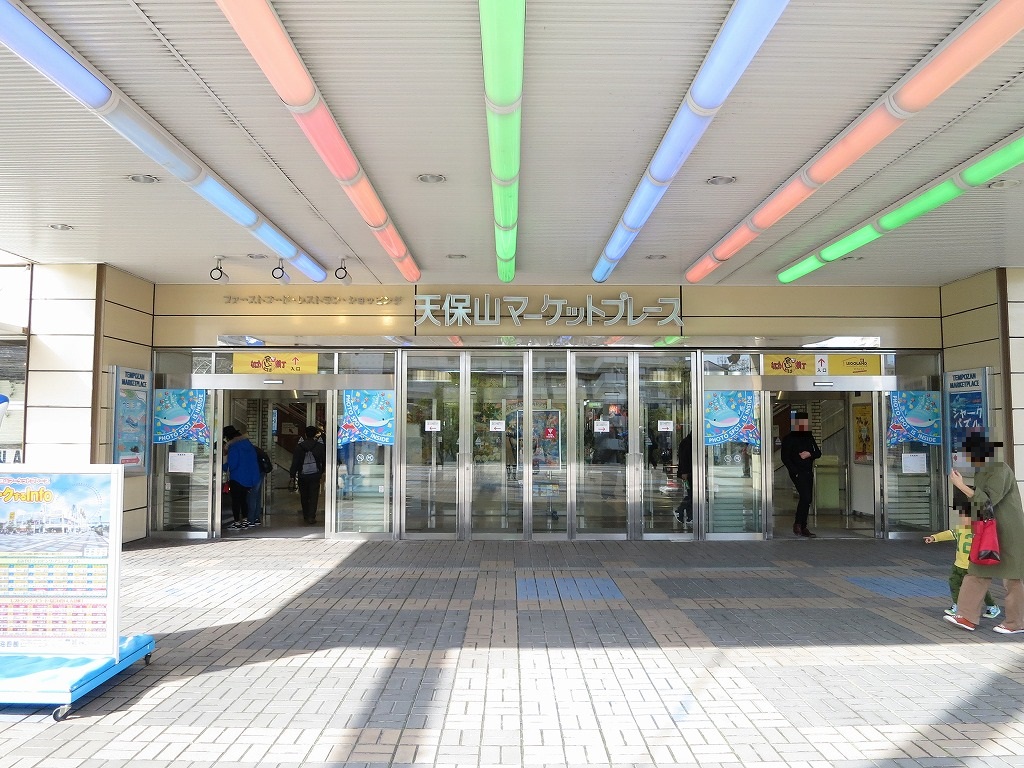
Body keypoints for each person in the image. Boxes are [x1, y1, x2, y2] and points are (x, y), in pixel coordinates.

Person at [945, 432, 1024, 634]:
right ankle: (966, 616)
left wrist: (961, 486)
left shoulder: (999, 469)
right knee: (977, 569)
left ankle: (1016, 623)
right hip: (989, 529)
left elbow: (987, 500)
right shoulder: (983, 471)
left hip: (1008, 531)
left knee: (1012, 577)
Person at [924, 499, 1000, 620]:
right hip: (958, 565)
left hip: (973, 565)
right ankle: (957, 605)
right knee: (954, 583)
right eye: (961, 516)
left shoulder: (979, 530)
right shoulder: (961, 529)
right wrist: (934, 538)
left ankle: (992, 606)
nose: (962, 519)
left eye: (964, 516)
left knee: (979, 587)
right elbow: (949, 534)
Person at [780, 411, 821, 538]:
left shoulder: (809, 436)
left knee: (807, 499)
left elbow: (818, 453)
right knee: (805, 497)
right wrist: (795, 471)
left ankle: (802, 526)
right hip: (797, 473)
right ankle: (798, 524)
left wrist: (809, 454)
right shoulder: (788, 438)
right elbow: (785, 458)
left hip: (808, 471)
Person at [222, 424, 261, 531]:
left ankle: (237, 522)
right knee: (244, 500)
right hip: (249, 478)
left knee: (236, 501)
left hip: (237, 478)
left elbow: (232, 465)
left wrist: (223, 466)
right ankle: (245, 520)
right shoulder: (249, 445)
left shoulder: (234, 447)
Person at [290, 425, 326, 524]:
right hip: (315, 475)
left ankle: (306, 515)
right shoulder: (319, 446)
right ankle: (311, 516)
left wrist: (292, 474)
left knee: (304, 496)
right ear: (315, 434)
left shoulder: (300, 446)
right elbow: (323, 460)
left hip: (303, 475)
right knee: (314, 496)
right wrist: (321, 471)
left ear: (305, 434)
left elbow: (295, 462)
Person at [673, 431, 693, 525]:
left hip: (690, 472)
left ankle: (690, 517)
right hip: (688, 473)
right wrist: (684, 472)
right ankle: (680, 510)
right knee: (692, 495)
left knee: (691, 494)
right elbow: (684, 459)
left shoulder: (688, 442)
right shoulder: (687, 443)